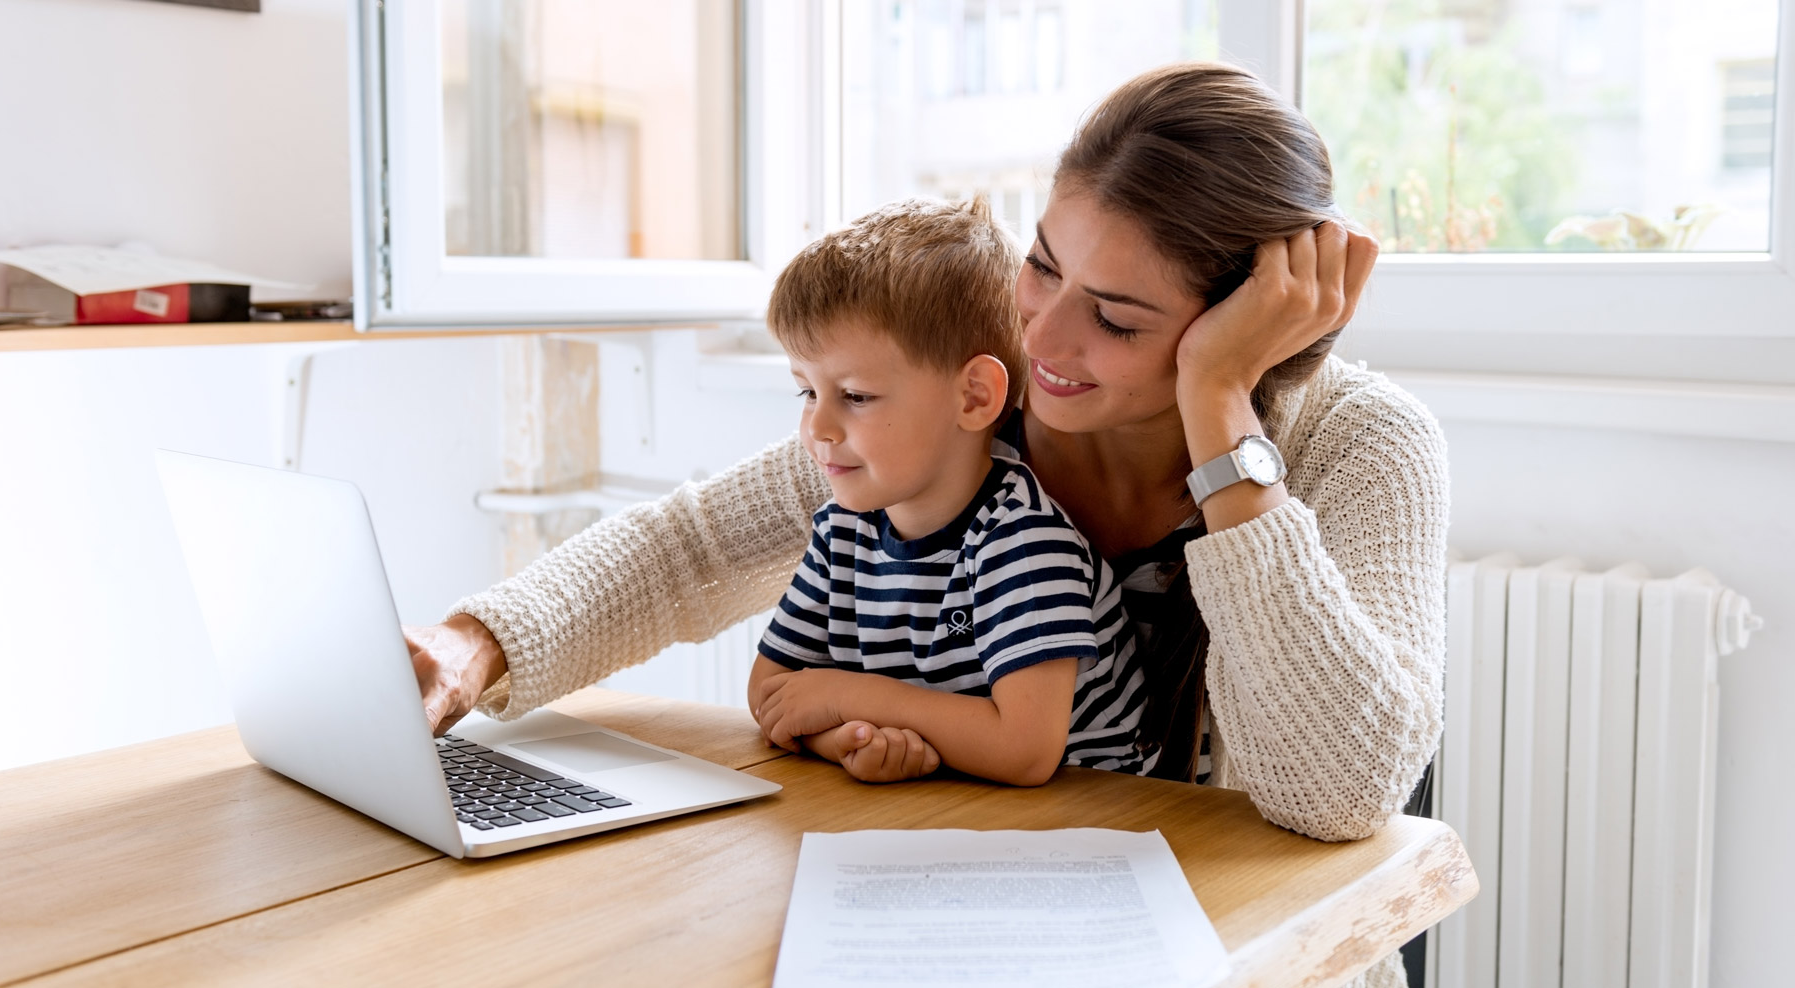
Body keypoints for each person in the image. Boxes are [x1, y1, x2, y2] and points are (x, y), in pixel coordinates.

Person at [405, 60, 1446, 988]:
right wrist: (471, 645)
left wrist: (1220, 407)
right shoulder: (980, 396)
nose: (1043, 333)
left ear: (1244, 325)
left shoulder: (1360, 446)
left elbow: (1337, 791)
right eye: (1042, 265)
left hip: (1249, 953)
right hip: (985, 922)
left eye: (1118, 319)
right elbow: (695, 547)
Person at [746, 196, 1149, 787]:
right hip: (955, 817)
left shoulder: (1024, 543)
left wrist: (848, 695)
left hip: (1091, 830)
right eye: (806, 392)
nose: (818, 428)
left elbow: (1024, 751)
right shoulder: (842, 532)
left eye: (855, 396)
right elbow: (774, 694)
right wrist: (845, 737)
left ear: (974, 397)